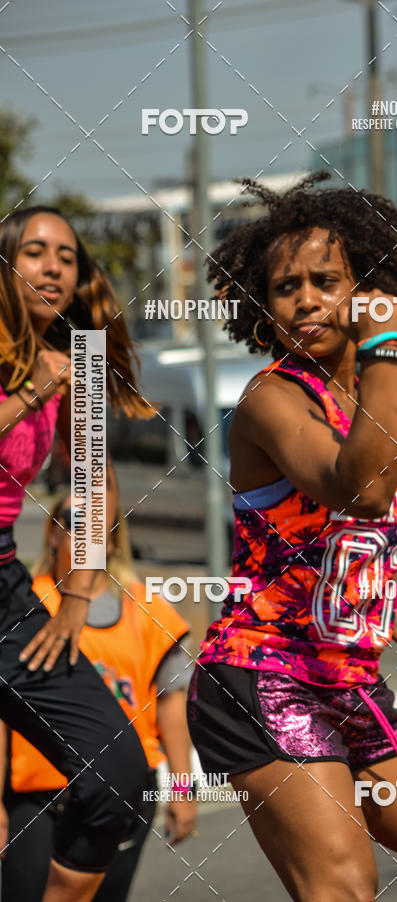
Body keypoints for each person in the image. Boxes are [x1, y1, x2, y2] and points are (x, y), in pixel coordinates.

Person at [187, 173, 397, 902]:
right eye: (285, 287)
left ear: (366, 283)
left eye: (326, 280)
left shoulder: (363, 394)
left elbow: (342, 529)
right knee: (343, 888)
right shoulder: (271, 400)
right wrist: (386, 347)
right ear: (262, 307)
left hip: (347, 681)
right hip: (261, 678)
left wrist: (358, 599)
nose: (306, 299)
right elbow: (362, 489)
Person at [0, 206, 156, 902]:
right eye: (35, 251)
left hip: (4, 586)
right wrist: (35, 387)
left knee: (119, 772)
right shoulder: (41, 371)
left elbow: (95, 479)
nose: (55, 266)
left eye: (67, 255)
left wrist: (77, 592)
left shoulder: (74, 362)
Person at [0, 493, 196, 901]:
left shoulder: (147, 609)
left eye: (97, 527)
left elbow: (171, 703)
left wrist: (182, 789)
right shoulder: (23, 605)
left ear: (110, 540)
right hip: (38, 794)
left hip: (122, 789)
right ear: (52, 533)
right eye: (72, 523)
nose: (84, 535)